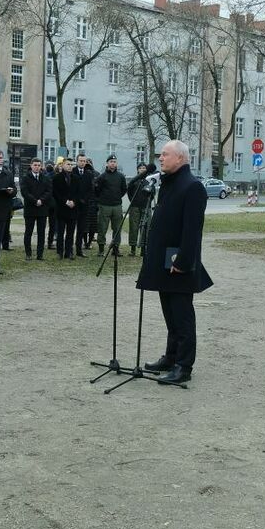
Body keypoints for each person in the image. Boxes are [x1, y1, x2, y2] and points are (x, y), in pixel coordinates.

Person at [138, 140, 213, 385]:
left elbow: (192, 232)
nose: (160, 158)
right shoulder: (168, 184)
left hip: (178, 265)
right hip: (163, 262)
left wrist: (182, 261)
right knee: (170, 315)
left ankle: (184, 366)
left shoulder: (192, 187)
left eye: (165, 154)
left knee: (182, 317)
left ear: (180, 158)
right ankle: (170, 358)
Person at [94, 154, 127, 255]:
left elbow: (123, 189)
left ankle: (115, 248)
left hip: (117, 206)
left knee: (117, 228)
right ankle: (101, 249)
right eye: (111, 162)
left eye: (114, 162)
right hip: (104, 206)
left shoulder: (121, 176)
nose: (113, 163)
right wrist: (103, 199)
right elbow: (97, 190)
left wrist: (116, 197)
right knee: (102, 228)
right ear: (107, 163)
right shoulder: (102, 176)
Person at [20, 157, 52, 260]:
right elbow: (25, 192)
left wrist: (41, 200)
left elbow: (49, 191)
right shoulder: (26, 177)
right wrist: (35, 201)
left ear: (41, 166)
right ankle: (28, 253)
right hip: (30, 209)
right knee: (28, 232)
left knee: (41, 233)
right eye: (35, 165)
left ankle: (40, 254)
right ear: (31, 166)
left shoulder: (45, 177)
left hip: (42, 209)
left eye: (39, 165)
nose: (37, 167)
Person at [125, 162, 154, 256]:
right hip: (135, 207)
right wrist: (133, 201)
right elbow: (129, 192)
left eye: (144, 168)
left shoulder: (150, 180)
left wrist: (148, 202)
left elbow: (152, 194)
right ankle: (133, 249)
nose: (142, 169)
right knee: (134, 228)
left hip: (146, 207)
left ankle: (143, 249)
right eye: (140, 168)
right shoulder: (135, 181)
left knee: (145, 228)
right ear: (138, 169)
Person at [52, 157, 78, 259]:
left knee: (70, 233)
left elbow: (78, 193)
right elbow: (55, 193)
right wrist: (65, 201)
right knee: (60, 232)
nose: (70, 166)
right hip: (61, 209)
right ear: (62, 165)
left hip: (73, 209)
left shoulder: (76, 178)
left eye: (71, 165)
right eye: (68, 164)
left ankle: (69, 251)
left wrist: (74, 202)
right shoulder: (57, 178)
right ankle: (60, 251)